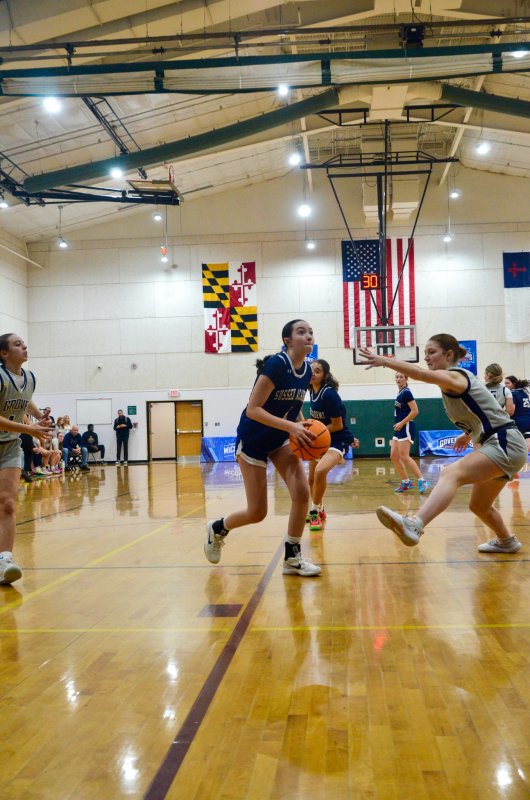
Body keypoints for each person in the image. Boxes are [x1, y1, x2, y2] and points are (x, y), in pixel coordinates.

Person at [359, 334, 527, 554]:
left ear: (448, 355)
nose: (426, 357)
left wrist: (385, 361)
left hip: (505, 442)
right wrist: (468, 434)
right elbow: (484, 412)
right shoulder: (454, 382)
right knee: (479, 505)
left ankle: (415, 524)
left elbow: (420, 373)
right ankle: (506, 541)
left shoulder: (456, 376)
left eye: (431, 352)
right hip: (500, 442)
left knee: (450, 473)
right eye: (425, 353)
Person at [204, 319, 321, 577]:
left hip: (280, 438)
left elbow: (293, 406)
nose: (308, 336)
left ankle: (292, 558)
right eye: (301, 332)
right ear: (288, 341)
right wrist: (292, 427)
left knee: (302, 493)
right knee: (257, 512)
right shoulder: (277, 365)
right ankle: (217, 528)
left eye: (311, 332)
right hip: (253, 439)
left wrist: (304, 426)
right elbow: (253, 410)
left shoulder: (306, 371)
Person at [0, 333, 53, 584]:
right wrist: (28, 429)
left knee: (8, 504)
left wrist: (40, 417)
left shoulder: (29, 377)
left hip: (10, 446)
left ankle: (4, 561)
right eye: (17, 344)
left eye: (24, 343)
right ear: (4, 353)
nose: (24, 346)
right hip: (14, 435)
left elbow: (25, 400)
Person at [306, 358, 359, 531]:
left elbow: (338, 425)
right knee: (311, 479)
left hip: (336, 440)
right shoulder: (311, 391)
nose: (313, 373)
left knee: (320, 471)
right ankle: (320, 508)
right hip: (320, 441)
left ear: (325, 375)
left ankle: (314, 512)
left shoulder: (329, 394)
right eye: (311, 370)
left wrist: (315, 433)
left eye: (318, 371)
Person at [389, 372, 430, 494]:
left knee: (404, 456)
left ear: (406, 379)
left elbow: (415, 411)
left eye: (401, 377)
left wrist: (401, 423)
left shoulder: (406, 392)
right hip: (399, 428)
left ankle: (422, 481)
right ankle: (406, 482)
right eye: (397, 377)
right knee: (394, 456)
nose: (398, 379)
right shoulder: (400, 393)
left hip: (406, 427)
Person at [504, 375, 530, 455]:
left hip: (518, 422)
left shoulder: (512, 394)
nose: (505, 385)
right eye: (505, 383)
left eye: (507, 383)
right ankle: (525, 461)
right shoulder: (524, 393)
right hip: (528, 420)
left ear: (514, 384)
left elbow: (511, 411)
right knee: (527, 441)